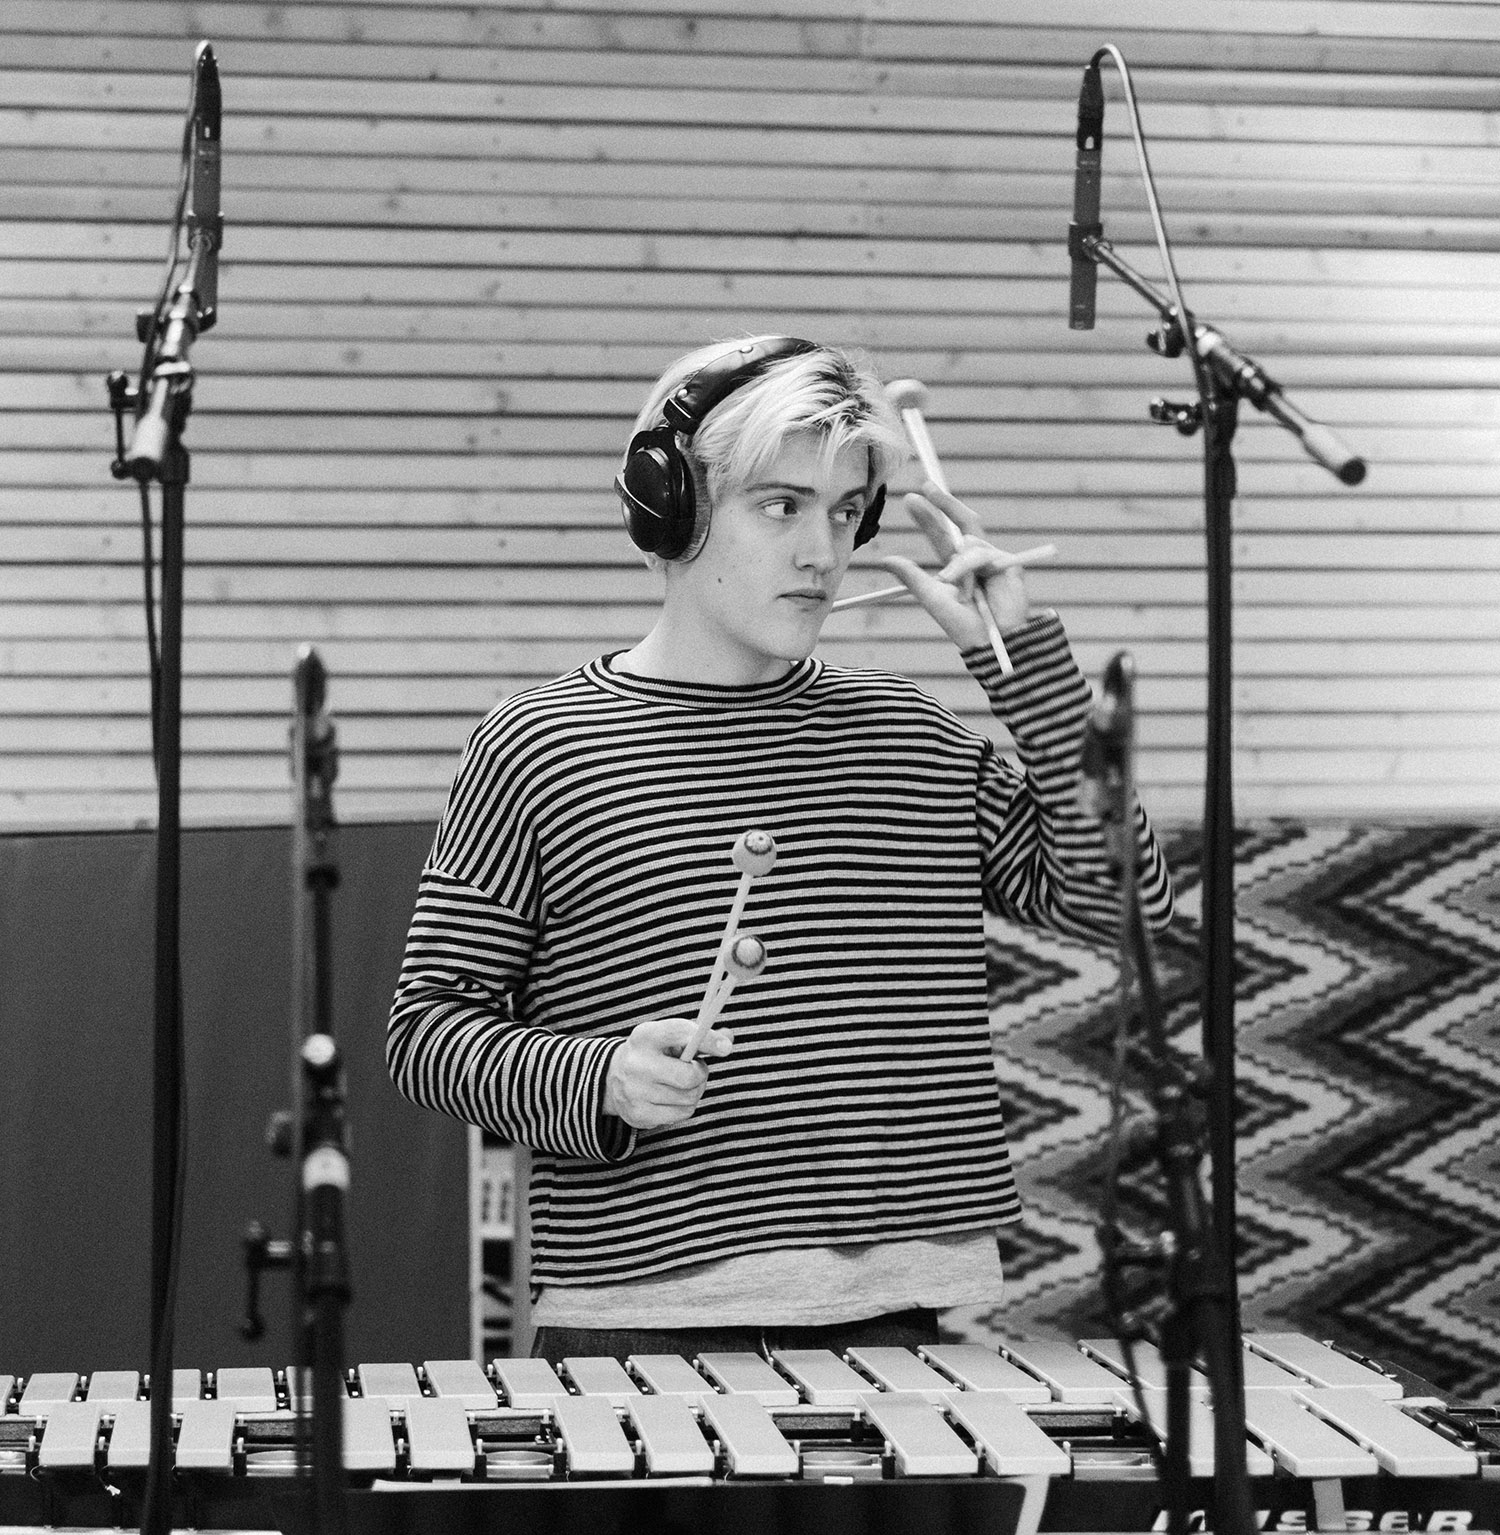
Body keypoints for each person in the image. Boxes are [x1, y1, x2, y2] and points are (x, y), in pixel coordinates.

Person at [387, 334, 1173, 1367]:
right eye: (781, 506)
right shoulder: (538, 746)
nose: (822, 552)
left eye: (845, 512)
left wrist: (1024, 666)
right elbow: (428, 1033)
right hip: (634, 1325)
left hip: (896, 1326)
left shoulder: (911, 735)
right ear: (672, 509)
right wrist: (600, 1077)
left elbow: (1123, 904)